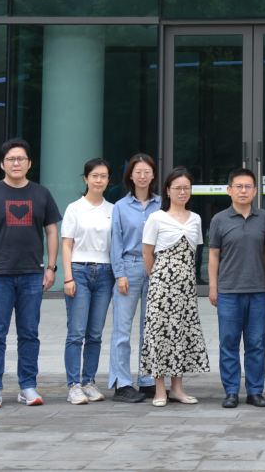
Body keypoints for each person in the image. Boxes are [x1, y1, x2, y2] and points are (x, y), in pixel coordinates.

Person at [0, 138, 61, 408]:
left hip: (33, 274)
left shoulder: (42, 194)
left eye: (21, 158)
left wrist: (51, 267)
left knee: (29, 333)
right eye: (11, 159)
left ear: (29, 163)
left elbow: (52, 232)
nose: (16, 163)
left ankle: (28, 387)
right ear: (2, 164)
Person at [140, 167, 210, 407]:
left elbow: (194, 253)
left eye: (186, 188)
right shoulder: (156, 218)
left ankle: (177, 389)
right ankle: (160, 390)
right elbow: (147, 253)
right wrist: (157, 279)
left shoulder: (196, 218)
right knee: (159, 334)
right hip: (161, 285)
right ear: (167, 191)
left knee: (181, 333)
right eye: (177, 188)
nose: (182, 192)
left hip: (186, 287)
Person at [208, 168, 265, 409]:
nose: (243, 191)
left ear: (255, 191)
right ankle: (232, 391)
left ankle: (255, 391)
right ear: (229, 190)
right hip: (228, 292)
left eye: (248, 187)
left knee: (256, 343)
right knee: (229, 343)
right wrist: (213, 287)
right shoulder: (219, 219)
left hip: (256, 292)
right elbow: (213, 255)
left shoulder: (264, 217)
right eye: (238, 186)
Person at [60, 158, 115, 405]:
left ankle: (88, 381)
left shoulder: (113, 210)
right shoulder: (75, 208)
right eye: (94, 175)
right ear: (86, 178)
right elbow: (67, 245)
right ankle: (73, 385)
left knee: (95, 333)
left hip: (105, 273)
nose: (99, 180)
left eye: (103, 176)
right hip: (79, 272)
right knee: (76, 332)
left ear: (108, 180)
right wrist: (68, 277)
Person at [108, 154, 161, 403]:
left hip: (156, 268)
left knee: (150, 328)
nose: (142, 176)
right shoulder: (120, 206)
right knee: (122, 329)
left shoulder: (162, 204)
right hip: (129, 268)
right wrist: (119, 274)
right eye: (137, 171)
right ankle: (122, 383)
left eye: (147, 171)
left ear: (153, 175)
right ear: (130, 175)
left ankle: (148, 380)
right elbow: (116, 243)